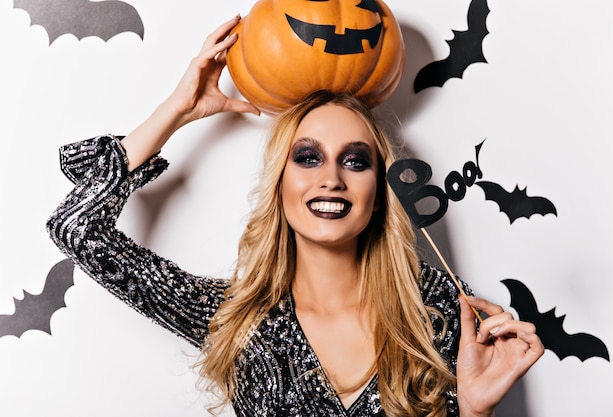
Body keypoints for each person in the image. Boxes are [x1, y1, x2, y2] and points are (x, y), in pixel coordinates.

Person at [47, 16, 543, 417]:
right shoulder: (235, 318)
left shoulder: (435, 308)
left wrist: (476, 413)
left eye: (355, 160)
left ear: (380, 191)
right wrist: (178, 110)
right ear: (280, 183)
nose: (331, 177)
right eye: (307, 157)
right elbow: (76, 228)